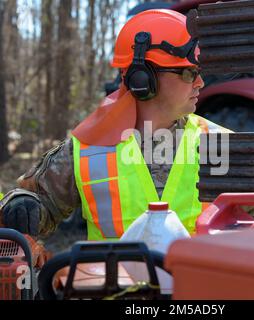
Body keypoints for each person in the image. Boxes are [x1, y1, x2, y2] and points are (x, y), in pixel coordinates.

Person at [0, 9, 231, 240]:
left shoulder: (222, 143)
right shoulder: (88, 148)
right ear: (142, 78)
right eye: (189, 73)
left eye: (199, 72)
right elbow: (36, 198)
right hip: (110, 276)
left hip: (195, 276)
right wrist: (22, 204)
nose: (200, 82)